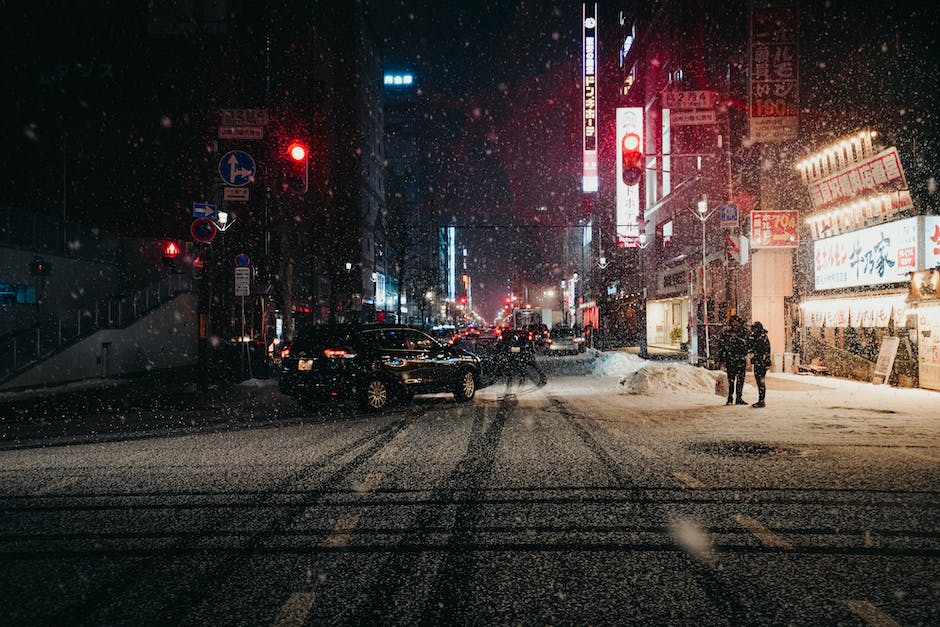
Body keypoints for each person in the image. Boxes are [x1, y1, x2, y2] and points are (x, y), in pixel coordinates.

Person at [718, 315, 749, 405]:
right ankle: (730, 397)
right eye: (733, 322)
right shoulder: (727, 332)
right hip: (731, 358)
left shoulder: (743, 332)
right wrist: (722, 359)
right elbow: (722, 345)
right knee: (731, 379)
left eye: (737, 322)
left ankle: (738, 397)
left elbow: (747, 344)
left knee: (740, 379)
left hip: (739, 359)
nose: (735, 324)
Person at [749, 321, 771, 408]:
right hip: (760, 362)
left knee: (760, 381)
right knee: (760, 381)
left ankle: (761, 400)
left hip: (761, 362)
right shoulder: (758, 337)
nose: (753, 330)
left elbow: (762, 350)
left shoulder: (761, 338)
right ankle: (761, 399)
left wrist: (758, 358)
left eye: (754, 328)